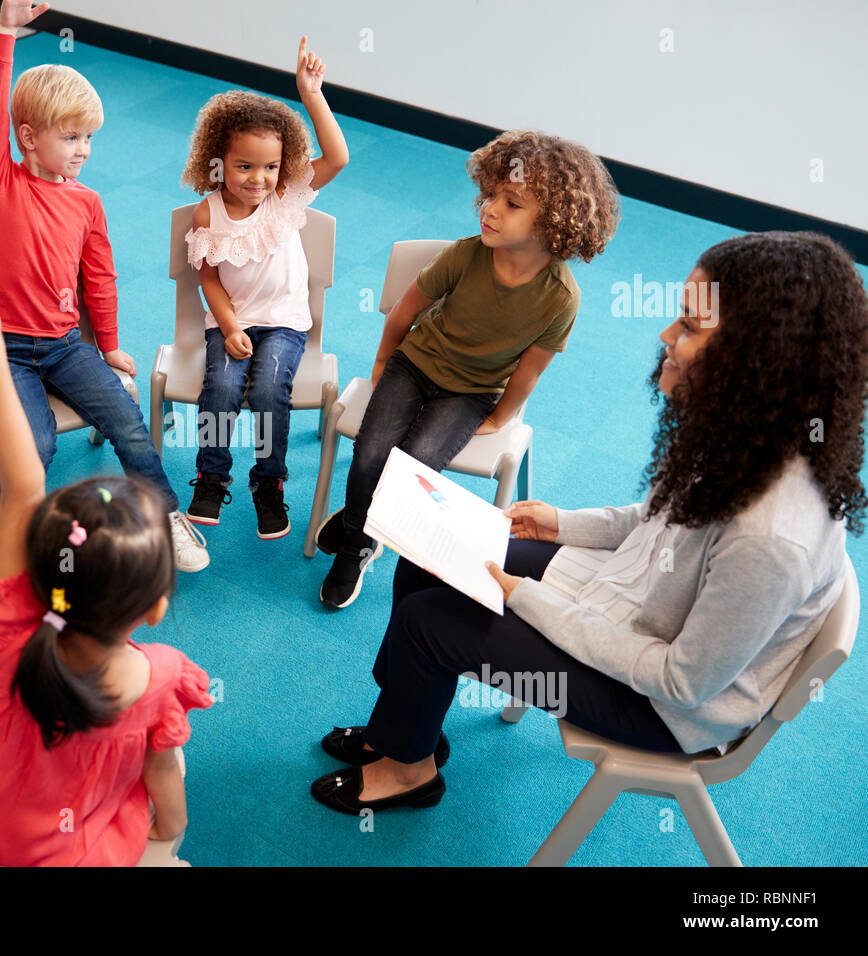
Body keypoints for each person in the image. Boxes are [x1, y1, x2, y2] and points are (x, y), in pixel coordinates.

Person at [309, 231, 868, 815]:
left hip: (656, 705)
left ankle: (409, 772)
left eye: (690, 328)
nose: (666, 337)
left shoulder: (772, 539)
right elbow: (658, 522)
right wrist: (562, 524)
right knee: (428, 559)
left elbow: (682, 682)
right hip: (625, 598)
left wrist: (528, 600)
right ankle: (404, 730)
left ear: (762, 359)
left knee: (429, 623)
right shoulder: (748, 436)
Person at [0, 266, 212, 866]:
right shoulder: (157, 681)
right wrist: (166, 839)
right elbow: (167, 803)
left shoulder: (5, 622)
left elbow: (21, 480)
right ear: (155, 608)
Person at [316, 129, 620, 608]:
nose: (490, 209)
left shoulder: (561, 299)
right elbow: (405, 309)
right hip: (413, 365)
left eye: (512, 203)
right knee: (372, 453)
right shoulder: (465, 254)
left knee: (413, 467)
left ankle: (358, 523)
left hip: (472, 393)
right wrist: (381, 362)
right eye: (491, 195)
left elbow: (529, 371)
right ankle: (357, 542)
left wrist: (500, 417)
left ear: (554, 223)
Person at [0, 0, 209, 571]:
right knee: (37, 448)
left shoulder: (87, 202)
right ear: (27, 137)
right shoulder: (2, 179)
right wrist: (4, 33)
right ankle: (16, 538)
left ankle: (163, 515)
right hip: (3, 350)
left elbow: (99, 278)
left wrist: (107, 344)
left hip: (64, 345)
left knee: (128, 423)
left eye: (89, 138)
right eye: (72, 136)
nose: (83, 149)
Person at [179, 37, 348, 540]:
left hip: (285, 323)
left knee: (272, 389)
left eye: (271, 167)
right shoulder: (207, 212)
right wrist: (229, 327)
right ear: (218, 161)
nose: (259, 179)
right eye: (244, 167)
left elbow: (337, 158)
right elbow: (208, 277)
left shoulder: (287, 197)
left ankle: (268, 484)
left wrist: (311, 95)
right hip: (231, 323)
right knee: (225, 387)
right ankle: (211, 477)